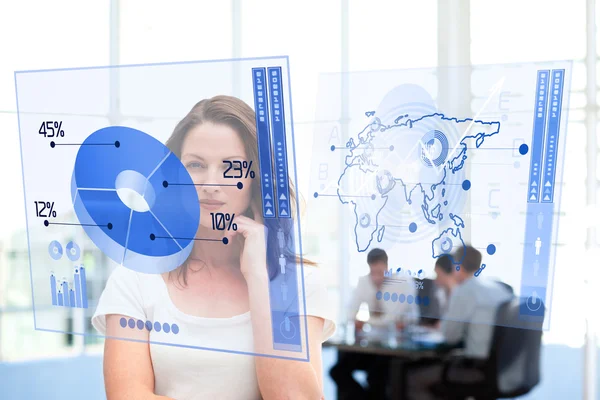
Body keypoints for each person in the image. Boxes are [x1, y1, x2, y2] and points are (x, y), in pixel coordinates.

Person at [91, 95, 336, 400]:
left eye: (230, 167)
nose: (210, 183)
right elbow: (127, 395)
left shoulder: (301, 285)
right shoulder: (135, 279)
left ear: (256, 178)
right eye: (195, 165)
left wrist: (259, 279)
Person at [407, 245, 513, 400]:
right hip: (501, 368)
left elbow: (449, 336)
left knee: (411, 379)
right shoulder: (499, 288)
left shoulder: (464, 290)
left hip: (475, 369)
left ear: (457, 266)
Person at [330, 248, 418, 400]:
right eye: (373, 272)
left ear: (387, 266)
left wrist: (365, 321)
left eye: (380, 272)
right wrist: (356, 319)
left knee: (376, 377)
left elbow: (390, 320)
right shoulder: (364, 281)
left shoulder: (402, 283)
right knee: (338, 371)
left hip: (398, 345)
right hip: (374, 343)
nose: (377, 278)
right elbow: (350, 312)